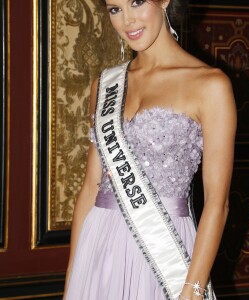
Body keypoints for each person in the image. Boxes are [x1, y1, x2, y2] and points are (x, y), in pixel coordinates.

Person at [63, 0, 236, 299]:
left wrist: (193, 289)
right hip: (99, 245)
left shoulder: (210, 85)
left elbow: (217, 204)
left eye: (136, 2)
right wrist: (72, 279)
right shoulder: (104, 86)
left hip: (164, 253)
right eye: (115, 9)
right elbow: (90, 189)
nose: (127, 20)